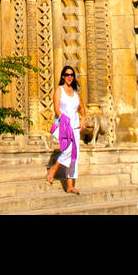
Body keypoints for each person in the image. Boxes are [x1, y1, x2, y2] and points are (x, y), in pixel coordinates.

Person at [46, 65, 86, 193]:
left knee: (75, 155)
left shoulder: (76, 94)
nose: (69, 77)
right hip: (64, 125)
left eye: (71, 75)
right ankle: (54, 168)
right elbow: (57, 109)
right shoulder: (59, 90)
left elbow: (82, 108)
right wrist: (64, 119)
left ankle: (70, 185)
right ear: (63, 76)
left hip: (75, 126)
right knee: (68, 151)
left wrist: (83, 118)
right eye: (67, 75)